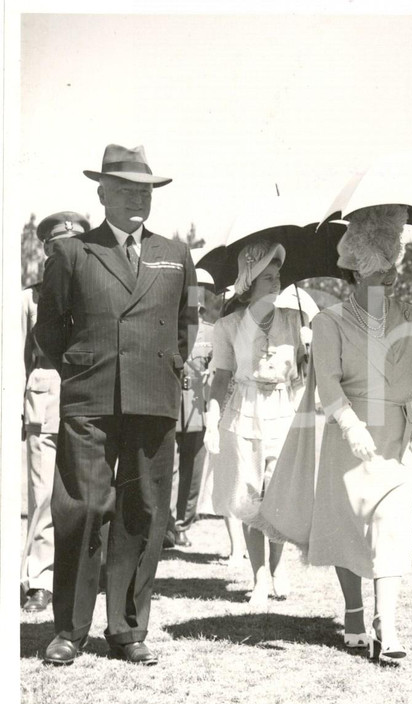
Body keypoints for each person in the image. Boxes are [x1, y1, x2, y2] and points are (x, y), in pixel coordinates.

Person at [35, 144, 196, 665]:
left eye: (145, 190)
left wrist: (163, 366)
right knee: (82, 508)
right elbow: (50, 331)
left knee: (144, 512)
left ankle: (128, 629)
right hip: (91, 394)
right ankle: (70, 630)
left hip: (153, 397)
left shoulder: (175, 253)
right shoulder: (72, 253)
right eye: (125, 189)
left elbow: (185, 328)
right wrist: (84, 365)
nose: (136, 199)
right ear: (101, 193)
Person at [259, 204, 412, 660]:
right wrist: (350, 425)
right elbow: (327, 384)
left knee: (391, 527)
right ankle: (354, 610)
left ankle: (387, 625)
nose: (389, 284)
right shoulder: (328, 321)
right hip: (348, 434)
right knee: (350, 527)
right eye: (378, 277)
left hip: (397, 437)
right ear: (356, 276)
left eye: (392, 274)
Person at [204, 241, 309, 607]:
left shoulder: (294, 320)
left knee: (278, 496)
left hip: (285, 409)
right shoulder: (228, 325)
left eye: (278, 276)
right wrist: (212, 418)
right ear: (249, 281)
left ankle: (278, 570)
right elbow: (221, 377)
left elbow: (303, 375)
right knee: (250, 497)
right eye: (268, 277)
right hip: (244, 410)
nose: (276, 282)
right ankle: (259, 576)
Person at [21, 212, 91, 613]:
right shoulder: (26, 299)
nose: (64, 254)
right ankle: (39, 579)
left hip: (86, 399)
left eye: (75, 247)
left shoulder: (93, 296)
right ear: (47, 251)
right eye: (56, 248)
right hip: (45, 398)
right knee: (44, 493)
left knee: (86, 495)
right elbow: (14, 362)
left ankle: (78, 576)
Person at [165, 274, 216, 549]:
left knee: (193, 470)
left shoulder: (212, 333)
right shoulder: (168, 330)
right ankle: (165, 525)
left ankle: (183, 524)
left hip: (198, 405)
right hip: (171, 404)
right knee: (167, 468)